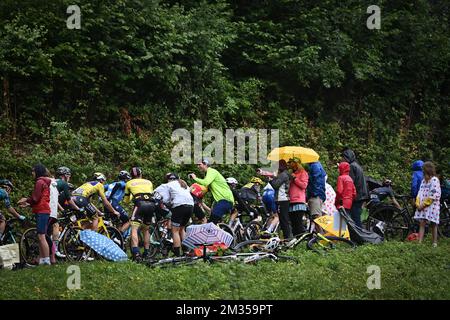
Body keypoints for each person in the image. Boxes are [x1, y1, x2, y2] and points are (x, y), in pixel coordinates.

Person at [18, 164, 52, 266]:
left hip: (42, 211)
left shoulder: (39, 182)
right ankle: (42, 260)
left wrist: (26, 199)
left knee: (41, 236)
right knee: (41, 236)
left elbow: (35, 198)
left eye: (33, 171)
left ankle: (46, 261)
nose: (32, 173)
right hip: (43, 210)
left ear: (37, 172)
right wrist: (28, 204)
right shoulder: (44, 182)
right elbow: (38, 199)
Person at [154, 173, 194, 257]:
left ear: (168, 179)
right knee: (182, 229)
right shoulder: (184, 184)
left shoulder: (167, 185)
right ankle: (186, 251)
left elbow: (160, 196)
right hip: (190, 206)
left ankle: (177, 254)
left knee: (175, 230)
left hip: (179, 206)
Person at [123, 167, 155, 260]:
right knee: (146, 230)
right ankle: (147, 252)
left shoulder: (129, 183)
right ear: (141, 174)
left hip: (140, 204)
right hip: (152, 204)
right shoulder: (149, 182)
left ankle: (136, 253)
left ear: (131, 176)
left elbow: (126, 201)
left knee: (134, 228)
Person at [189, 159, 234, 224]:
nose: (198, 166)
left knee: (212, 222)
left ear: (205, 164)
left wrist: (195, 178)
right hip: (221, 201)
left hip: (225, 200)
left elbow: (206, 182)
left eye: (199, 164)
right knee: (213, 222)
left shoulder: (212, 171)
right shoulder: (208, 174)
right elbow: (205, 188)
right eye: (197, 165)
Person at [414, 161, 441, 247]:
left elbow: (433, 195)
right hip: (422, 206)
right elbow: (419, 192)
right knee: (422, 222)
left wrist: (424, 204)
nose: (423, 174)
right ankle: (420, 242)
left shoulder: (434, 180)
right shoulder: (423, 181)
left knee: (433, 224)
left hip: (432, 206)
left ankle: (434, 243)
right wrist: (418, 203)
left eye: (424, 172)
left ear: (428, 171)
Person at [342, 148, 368, 228]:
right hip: (361, 194)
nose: (342, 159)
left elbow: (350, 182)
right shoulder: (356, 165)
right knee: (356, 216)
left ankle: (359, 237)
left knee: (355, 217)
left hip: (357, 196)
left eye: (344, 157)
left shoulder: (351, 166)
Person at [104, 170, 132, 235]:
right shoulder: (123, 183)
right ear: (125, 178)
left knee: (118, 221)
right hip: (113, 202)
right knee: (128, 221)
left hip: (106, 203)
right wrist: (111, 196)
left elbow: (102, 187)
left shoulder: (110, 184)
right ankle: (119, 237)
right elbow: (118, 184)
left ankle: (115, 237)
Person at [269, 160, 291, 239]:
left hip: (283, 199)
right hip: (282, 199)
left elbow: (275, 185)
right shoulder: (283, 174)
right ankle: (286, 238)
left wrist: (271, 179)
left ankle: (287, 238)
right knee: (282, 220)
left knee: (284, 220)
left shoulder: (283, 175)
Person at [288, 159, 309, 236]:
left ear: (296, 164)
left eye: (291, 163)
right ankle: (295, 238)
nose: (289, 165)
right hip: (291, 200)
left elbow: (304, 185)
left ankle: (301, 238)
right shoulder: (292, 173)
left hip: (299, 200)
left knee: (298, 222)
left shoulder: (303, 173)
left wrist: (295, 178)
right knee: (293, 222)